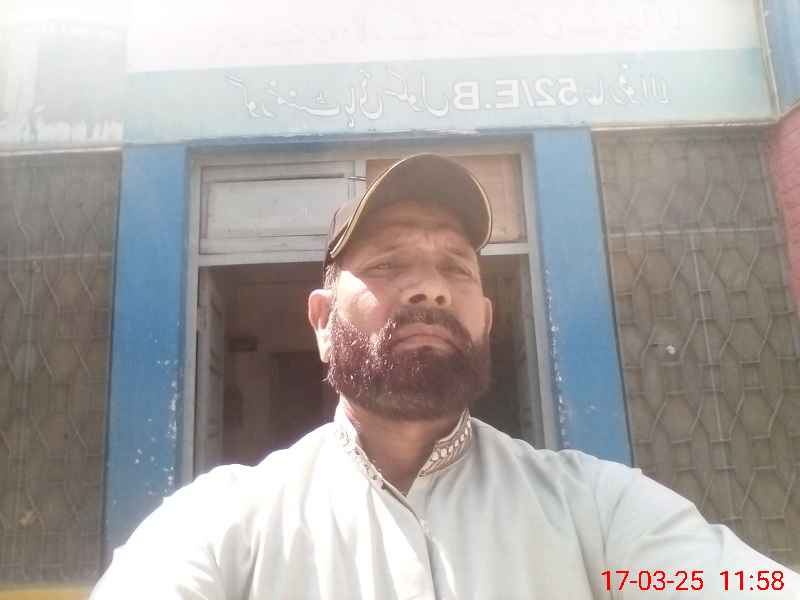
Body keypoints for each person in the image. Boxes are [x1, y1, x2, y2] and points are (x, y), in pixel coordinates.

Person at [91, 154, 799, 599]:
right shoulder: (228, 523)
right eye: (388, 264)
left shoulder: (596, 512)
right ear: (320, 321)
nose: (429, 287)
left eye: (456, 268)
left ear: (484, 319)